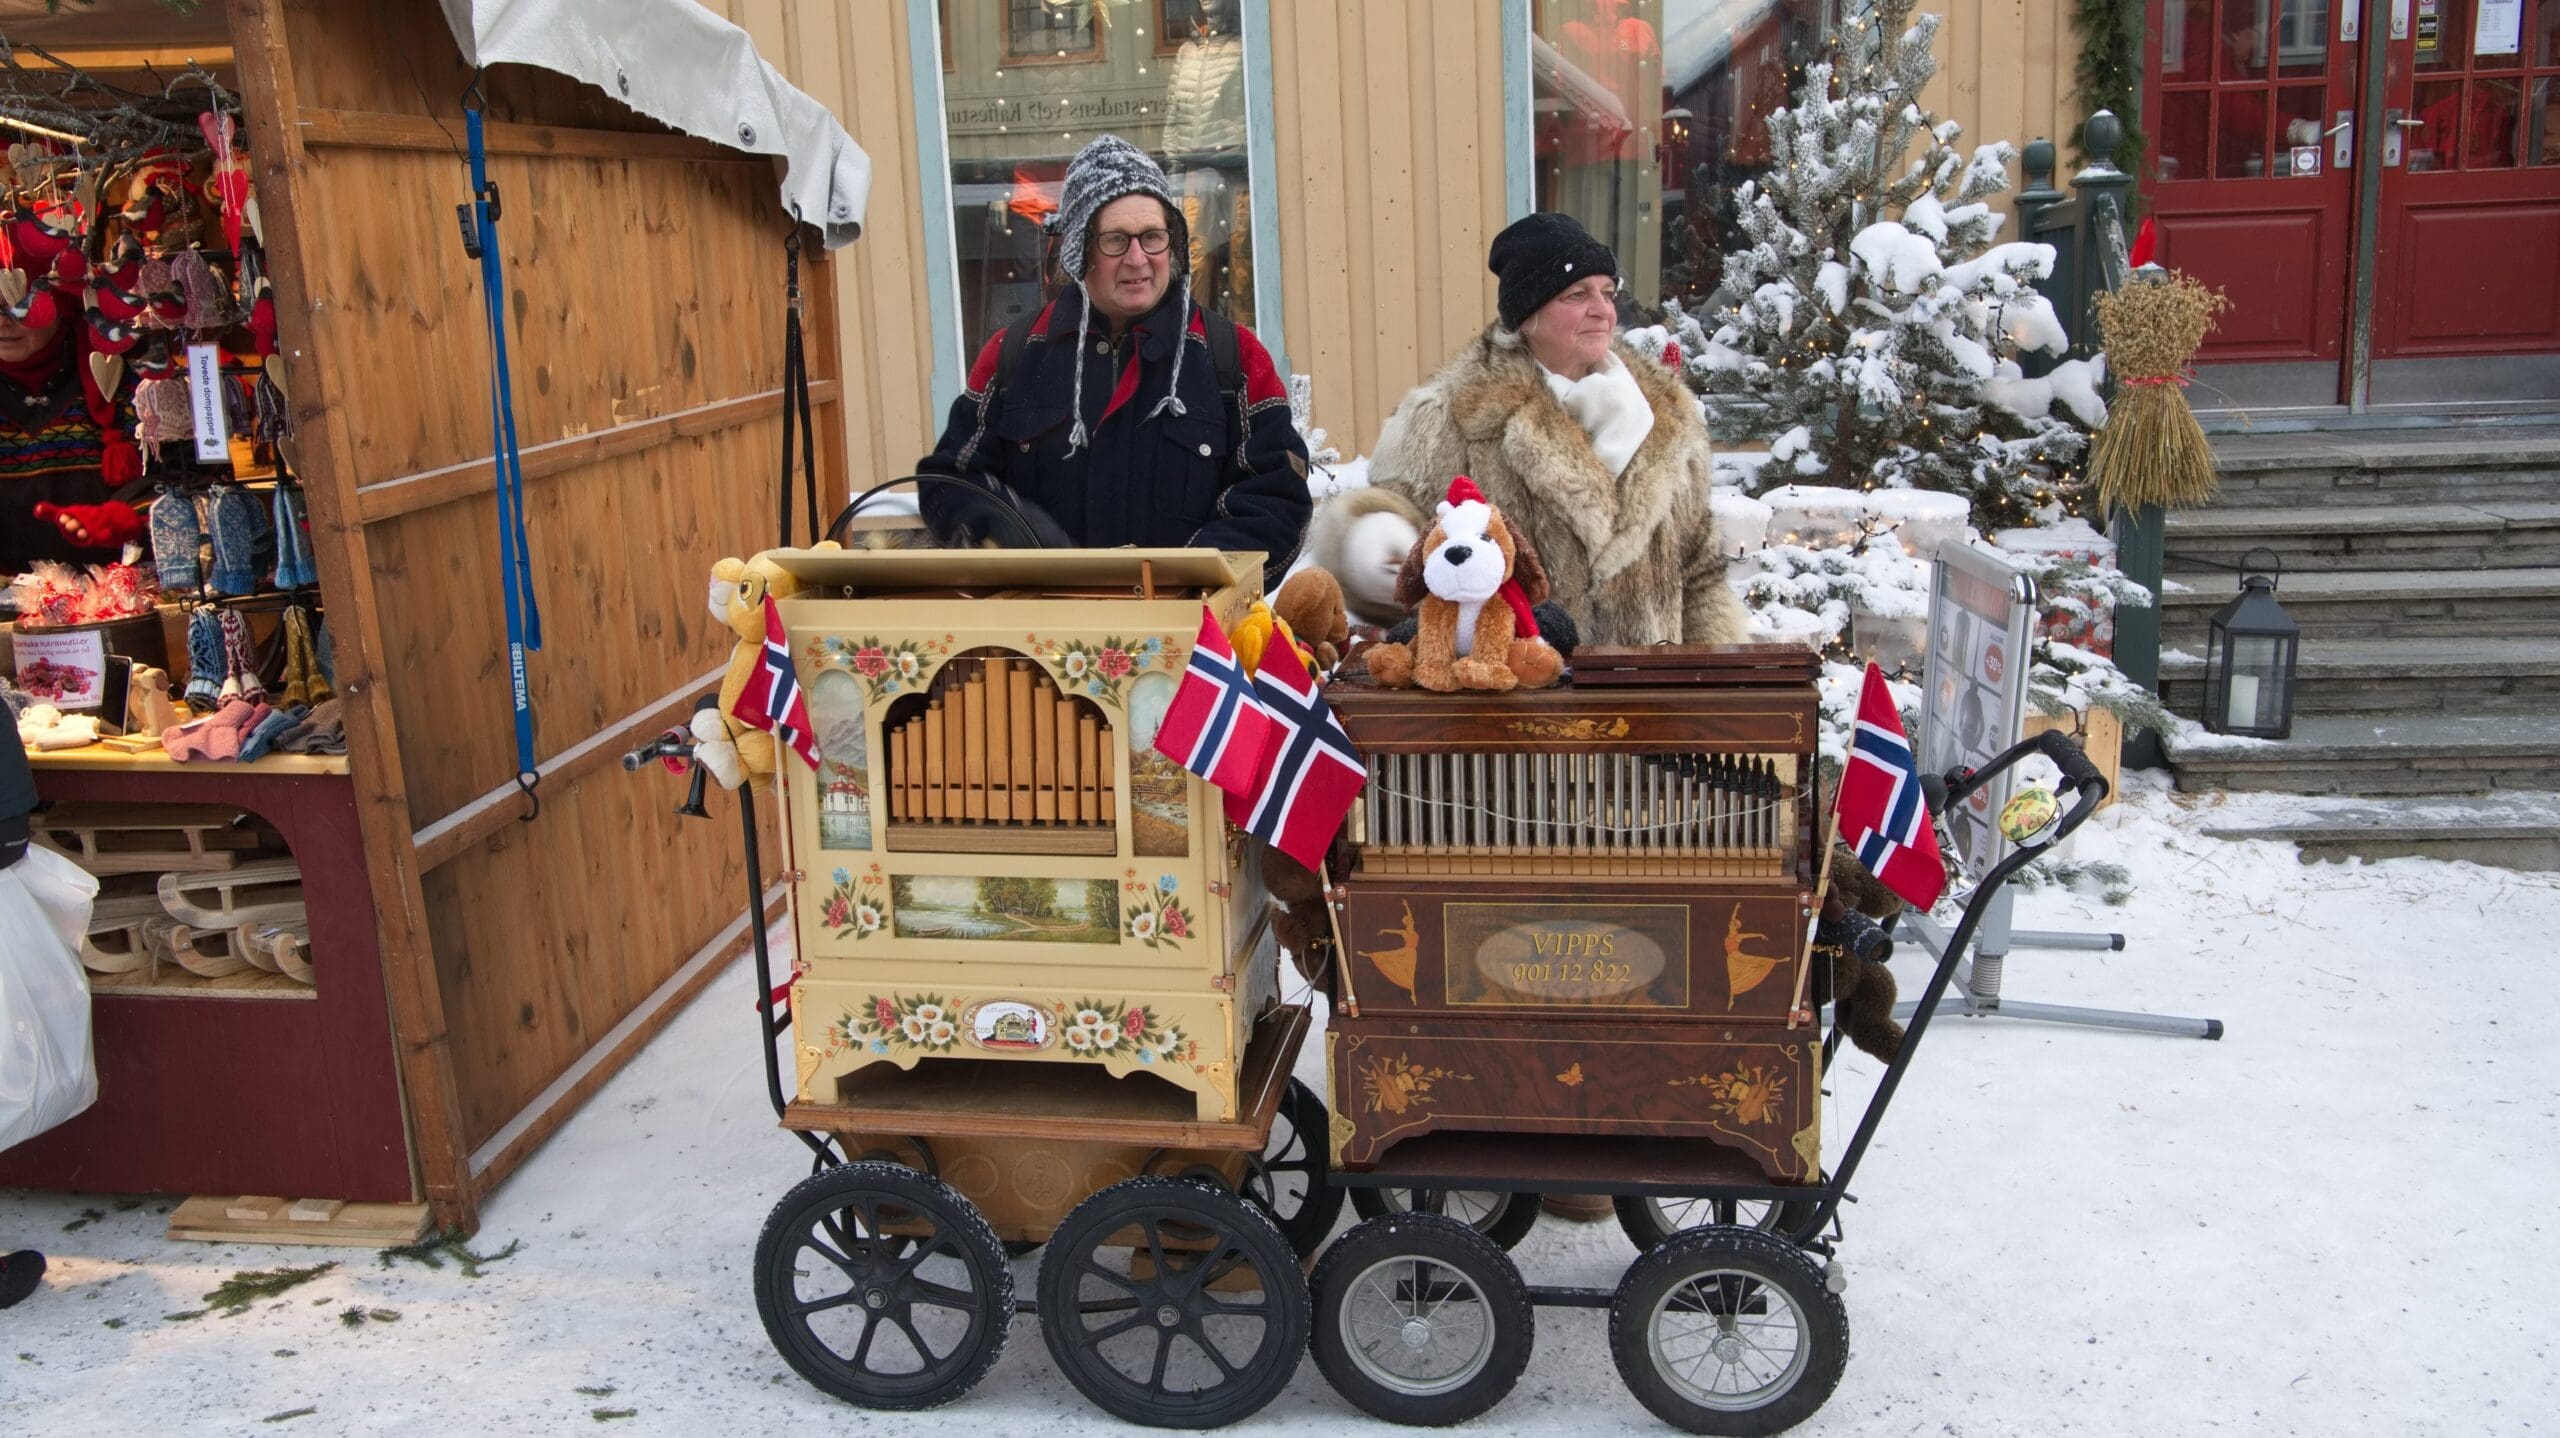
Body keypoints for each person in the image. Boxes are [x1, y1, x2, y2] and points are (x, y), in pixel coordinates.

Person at [917, 136, 1311, 588]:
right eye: (1116, 240)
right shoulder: (1015, 354)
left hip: (1194, 643)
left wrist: (1187, 583)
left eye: (1153, 237)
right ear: (1081, 250)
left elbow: (1277, 499)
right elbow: (950, 480)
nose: (1138, 259)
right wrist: (1012, 533)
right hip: (1044, 638)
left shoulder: (1234, 357)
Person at [1358, 210, 1747, 650]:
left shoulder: (1671, 419)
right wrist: (1369, 547)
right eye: (1576, 295)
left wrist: (1712, 683)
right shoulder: (1449, 418)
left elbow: (1701, 574)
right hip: (1511, 704)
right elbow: (1393, 560)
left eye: (1607, 292)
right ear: (1528, 316)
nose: (1602, 310)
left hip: (1650, 700)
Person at [0, 301, 141, 570]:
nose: (3, 323)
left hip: (121, 589)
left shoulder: (119, 368)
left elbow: (178, 476)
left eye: (18, 306)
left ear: (57, 301)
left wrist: (126, 516)